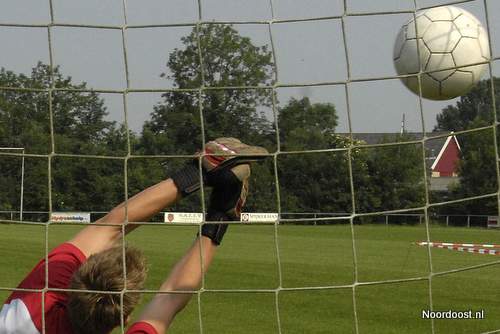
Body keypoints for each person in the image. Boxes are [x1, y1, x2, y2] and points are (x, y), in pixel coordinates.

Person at [0, 138, 268, 334]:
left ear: (74, 277)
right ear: (124, 319)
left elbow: (112, 226)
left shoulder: (33, 305)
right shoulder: (39, 297)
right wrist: (220, 213)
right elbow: (171, 295)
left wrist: (207, 190)